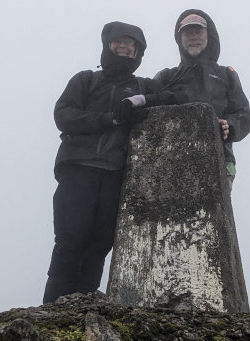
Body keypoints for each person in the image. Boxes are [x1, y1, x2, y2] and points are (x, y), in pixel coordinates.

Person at [43, 21, 171, 303]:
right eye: (118, 42)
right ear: (107, 45)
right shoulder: (85, 80)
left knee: (100, 244)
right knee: (70, 240)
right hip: (77, 168)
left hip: (115, 174)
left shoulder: (143, 85)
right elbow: (63, 116)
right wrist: (110, 118)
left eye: (131, 44)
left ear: (138, 52)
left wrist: (137, 101)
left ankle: (82, 306)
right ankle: (51, 310)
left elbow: (172, 98)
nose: (124, 47)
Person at [154, 9, 250, 189]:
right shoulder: (166, 77)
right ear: (180, 38)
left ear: (209, 35)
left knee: (212, 215)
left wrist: (228, 126)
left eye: (198, 31)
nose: (193, 37)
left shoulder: (226, 75)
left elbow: (244, 116)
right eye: (187, 32)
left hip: (221, 159)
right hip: (172, 160)